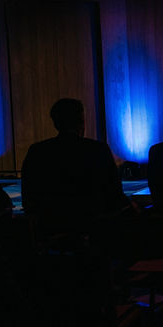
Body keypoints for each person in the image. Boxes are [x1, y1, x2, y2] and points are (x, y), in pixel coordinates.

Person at [21, 98, 128, 230]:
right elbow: (114, 192)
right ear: (81, 122)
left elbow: (28, 196)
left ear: (55, 123)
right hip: (94, 226)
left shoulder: (37, 151)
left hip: (50, 226)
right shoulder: (97, 150)